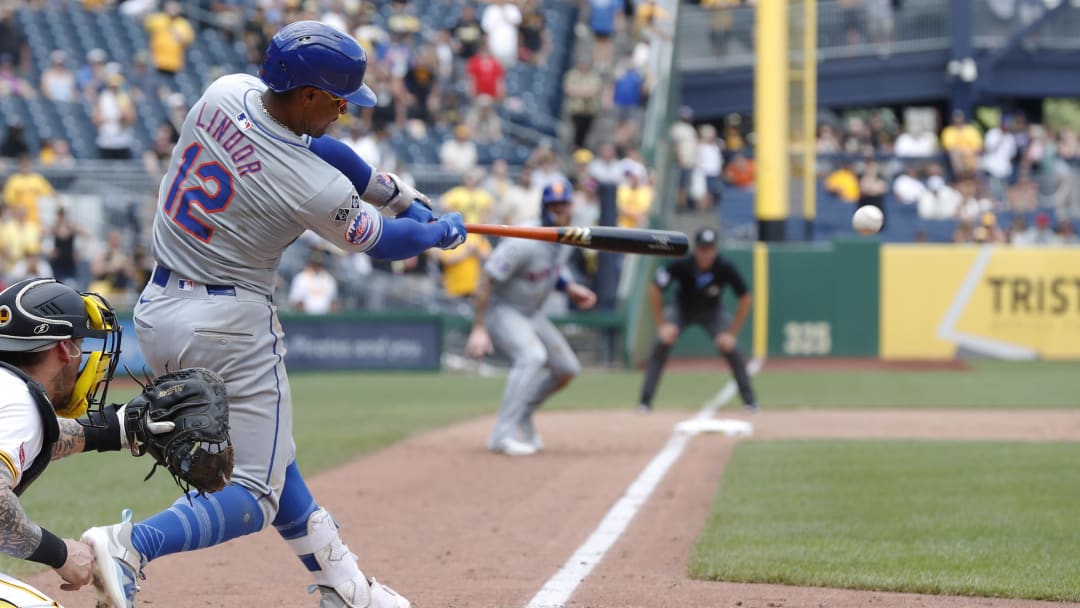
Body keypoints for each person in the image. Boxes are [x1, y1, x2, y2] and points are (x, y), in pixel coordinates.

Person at [79, 21, 466, 608]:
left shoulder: (225, 91)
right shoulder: (310, 188)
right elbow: (383, 242)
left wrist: (393, 190)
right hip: (229, 323)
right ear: (308, 94)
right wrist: (435, 231)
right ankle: (131, 546)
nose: (344, 111)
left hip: (160, 310)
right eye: (337, 100)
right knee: (255, 491)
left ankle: (347, 589)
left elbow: (321, 148)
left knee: (274, 458)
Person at [0, 278, 130, 607]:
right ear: (63, 348)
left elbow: (37, 440)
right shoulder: (19, 400)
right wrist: (62, 553)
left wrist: (116, 429)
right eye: (79, 345)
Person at [465, 181, 597, 456]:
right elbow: (487, 278)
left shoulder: (566, 237)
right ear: (544, 207)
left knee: (567, 368)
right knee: (532, 356)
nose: (560, 210)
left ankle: (523, 414)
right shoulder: (524, 239)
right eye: (554, 205)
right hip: (502, 310)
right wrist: (479, 328)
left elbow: (552, 269)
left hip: (531, 313)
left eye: (564, 205)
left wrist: (569, 288)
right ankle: (501, 435)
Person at [636, 227, 758, 413]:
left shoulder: (724, 267)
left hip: (712, 311)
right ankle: (645, 402)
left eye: (709, 248)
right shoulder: (682, 264)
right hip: (682, 308)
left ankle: (750, 402)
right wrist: (662, 325)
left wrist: (732, 334)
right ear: (695, 249)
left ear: (715, 249)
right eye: (702, 248)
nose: (706, 253)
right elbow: (655, 288)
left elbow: (745, 297)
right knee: (661, 343)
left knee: (732, 349)